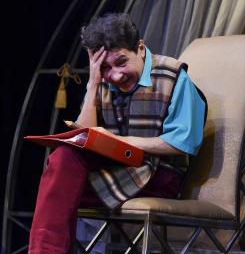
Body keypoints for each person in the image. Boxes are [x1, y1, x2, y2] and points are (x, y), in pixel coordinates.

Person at [28, 13, 207, 254]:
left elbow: (183, 142)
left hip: (158, 173)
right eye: (105, 67)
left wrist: (122, 141)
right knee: (63, 160)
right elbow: (85, 135)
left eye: (121, 62)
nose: (115, 75)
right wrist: (93, 84)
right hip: (115, 167)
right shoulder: (102, 80)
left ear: (140, 49)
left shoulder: (173, 76)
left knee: (61, 189)